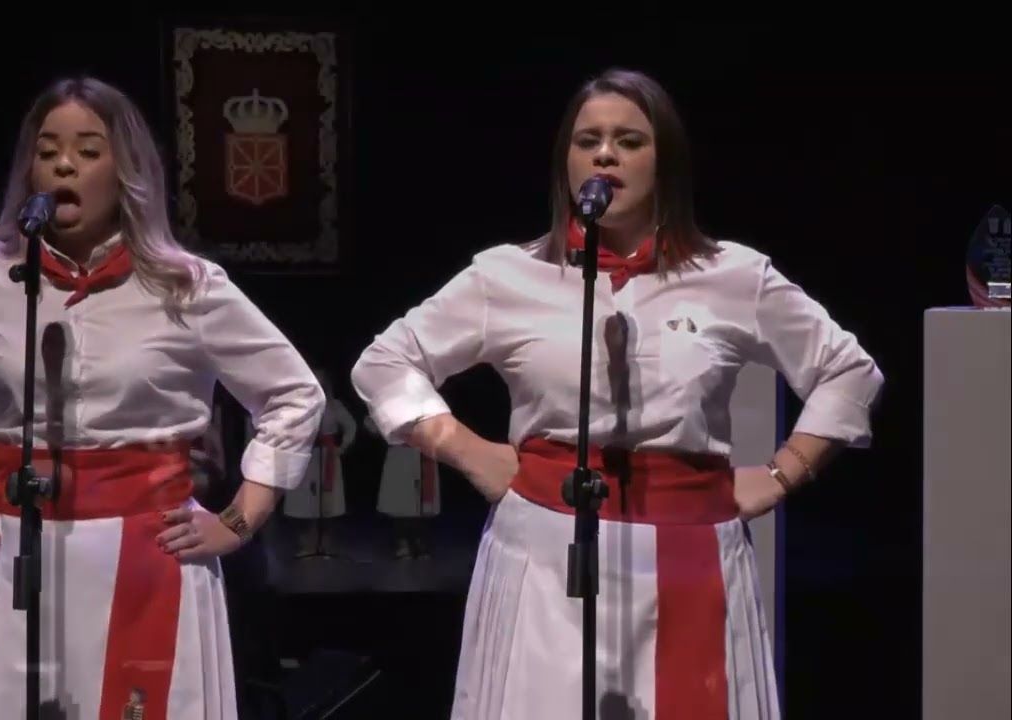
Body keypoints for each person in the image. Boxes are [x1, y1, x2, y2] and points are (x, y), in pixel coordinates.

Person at [351, 67, 884, 719]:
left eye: (630, 140)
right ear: (566, 164)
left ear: (668, 162)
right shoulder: (507, 275)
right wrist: (463, 447)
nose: (606, 154)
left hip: (692, 553)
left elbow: (849, 370)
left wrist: (783, 472)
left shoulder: (735, 276)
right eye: (589, 140)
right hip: (545, 550)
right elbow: (385, 364)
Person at [0, 76, 324, 720]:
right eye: (48, 152)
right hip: (17, 554)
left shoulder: (186, 287)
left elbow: (294, 396)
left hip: (145, 560)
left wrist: (239, 520)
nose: (64, 165)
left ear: (125, 169)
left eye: (87, 150)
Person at [280, 368, 357, 556]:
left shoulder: (334, 406)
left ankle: (326, 543)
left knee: (327, 502)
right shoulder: (298, 406)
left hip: (327, 457)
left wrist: (342, 447)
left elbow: (351, 426)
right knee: (306, 502)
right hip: (306, 457)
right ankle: (307, 542)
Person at [362, 413, 440, 559]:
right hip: (400, 455)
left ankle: (420, 541)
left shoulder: (428, 402)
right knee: (400, 501)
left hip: (423, 454)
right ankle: (402, 542)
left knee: (422, 502)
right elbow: (370, 422)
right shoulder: (393, 401)